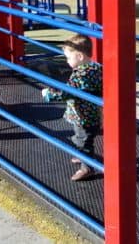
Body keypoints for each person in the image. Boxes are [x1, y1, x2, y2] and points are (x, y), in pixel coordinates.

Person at [42, 34, 102, 181]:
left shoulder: (80, 75)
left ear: (80, 56)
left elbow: (67, 93)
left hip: (83, 116)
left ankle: (87, 167)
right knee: (81, 138)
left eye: (69, 58)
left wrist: (48, 94)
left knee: (83, 140)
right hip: (92, 113)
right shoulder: (96, 67)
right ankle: (81, 155)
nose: (67, 61)